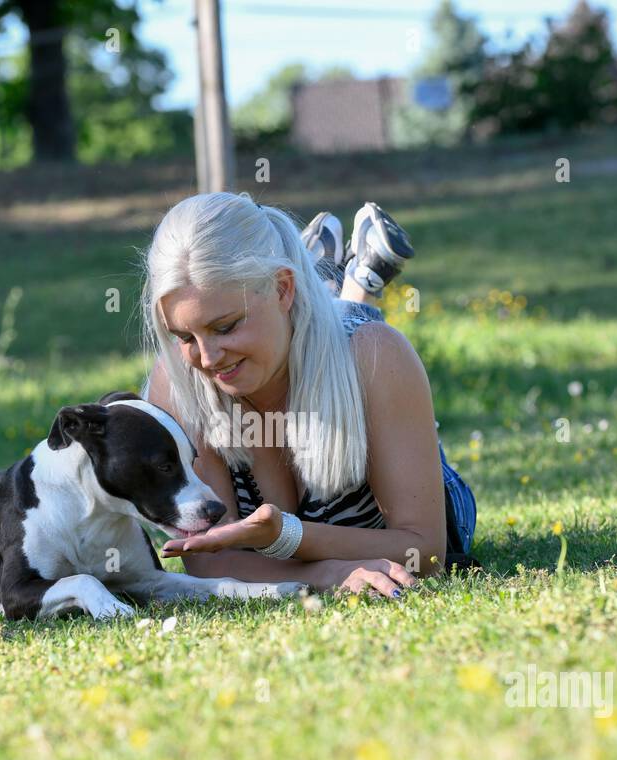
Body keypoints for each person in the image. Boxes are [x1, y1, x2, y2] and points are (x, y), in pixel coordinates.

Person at [142, 193, 476, 598]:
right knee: (314, 338)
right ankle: (335, 276)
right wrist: (329, 572)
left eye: (226, 326)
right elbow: (208, 563)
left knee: (350, 337)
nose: (208, 359)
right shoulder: (179, 383)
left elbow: (424, 551)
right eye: (184, 336)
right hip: (302, 334)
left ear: (282, 290)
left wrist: (285, 535)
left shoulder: (377, 358)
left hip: (343, 360)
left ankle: (345, 280)